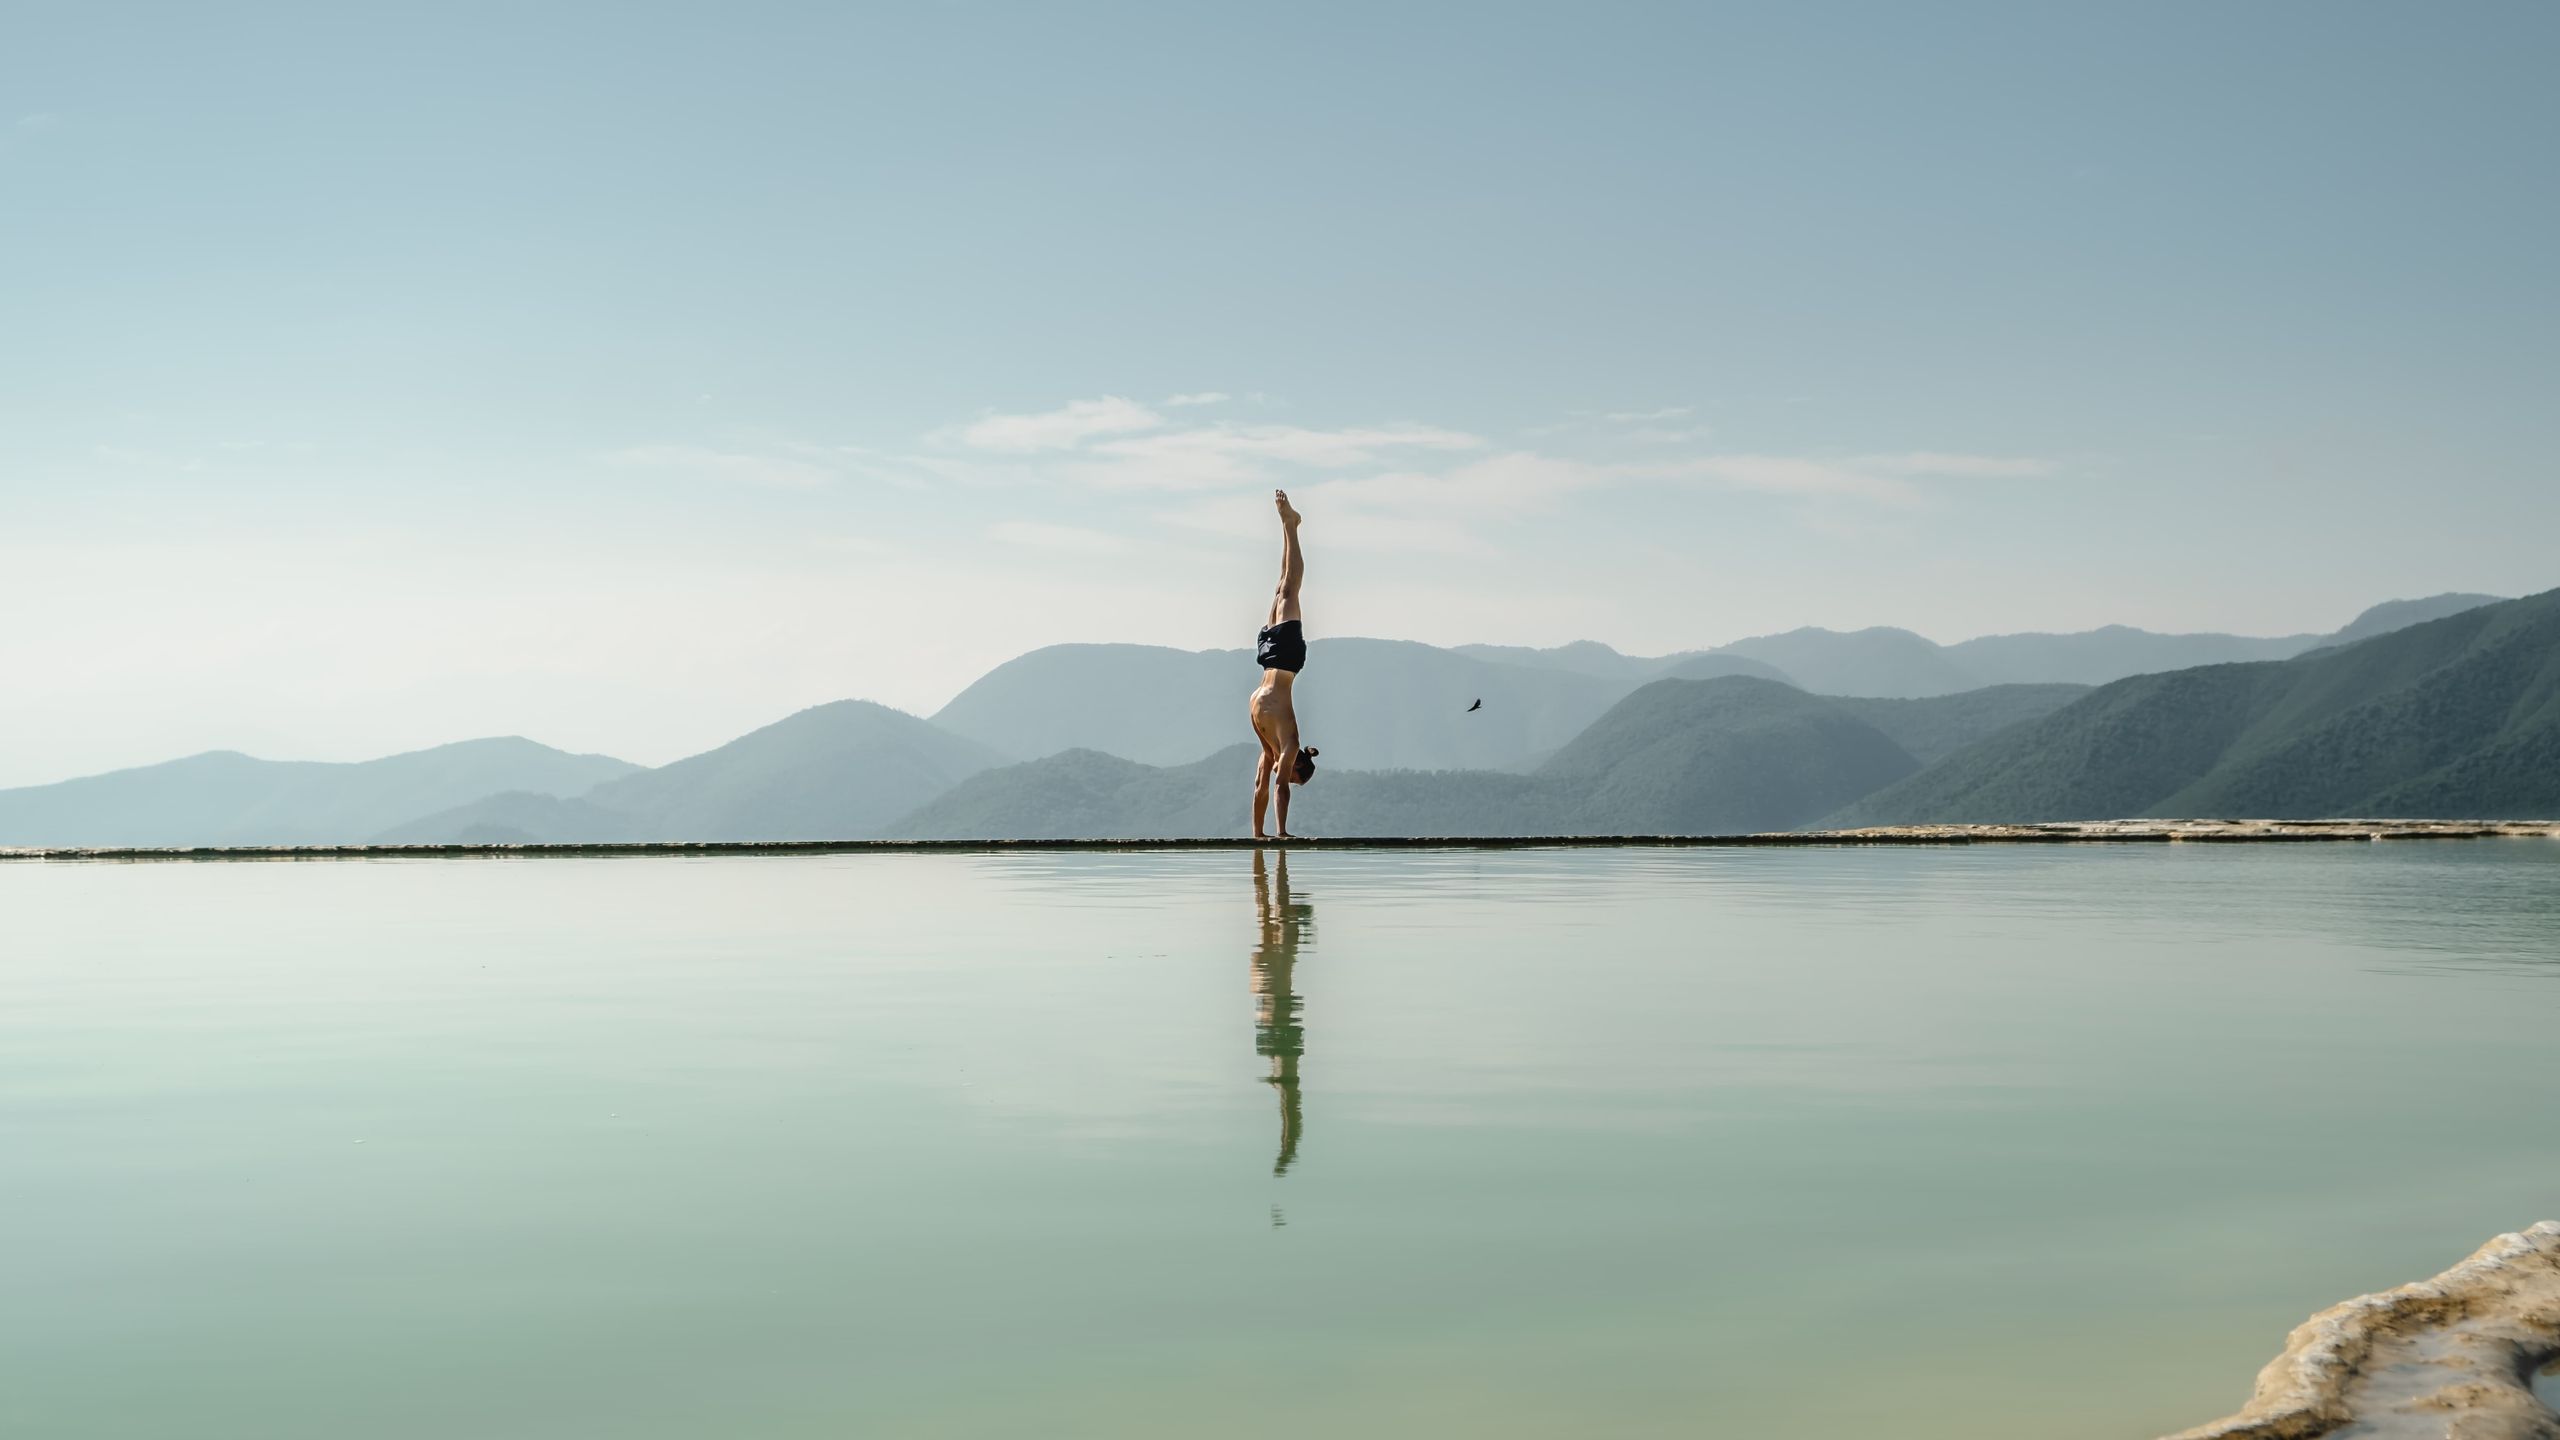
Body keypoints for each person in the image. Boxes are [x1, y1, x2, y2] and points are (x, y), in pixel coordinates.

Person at [1248, 490, 1317, 839]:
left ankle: (1288, 525)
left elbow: (1262, 786)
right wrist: (1283, 832)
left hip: (1267, 663)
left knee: (1279, 590)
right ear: (1298, 764)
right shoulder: (1289, 744)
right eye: (1291, 772)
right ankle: (1291, 526)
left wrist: (1259, 836)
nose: (1283, 772)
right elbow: (1279, 790)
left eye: (1287, 772)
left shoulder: (1269, 749)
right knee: (1291, 590)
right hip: (1287, 660)